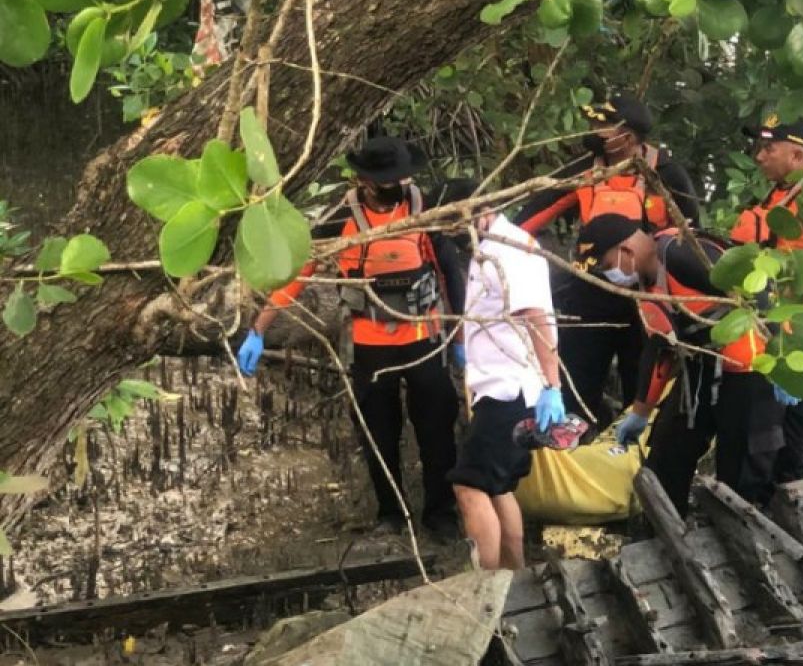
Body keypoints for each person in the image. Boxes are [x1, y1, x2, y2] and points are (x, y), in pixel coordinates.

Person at [235, 135, 464, 538]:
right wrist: (259, 329)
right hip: (370, 345)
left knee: (437, 429)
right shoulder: (339, 217)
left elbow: (450, 272)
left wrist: (460, 338)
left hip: (424, 338)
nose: (398, 185)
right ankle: (391, 514)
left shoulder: (422, 207)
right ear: (368, 182)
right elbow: (299, 273)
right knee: (378, 432)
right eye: (389, 180)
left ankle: (441, 513)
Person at [576, 214, 788, 516]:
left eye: (608, 266)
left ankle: (745, 539)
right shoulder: (646, 286)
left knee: (743, 469)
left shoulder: (679, 253)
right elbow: (659, 347)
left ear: (626, 250)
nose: (610, 275)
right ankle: (665, 532)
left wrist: (782, 361)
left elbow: (758, 295)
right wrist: (640, 410)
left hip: (749, 367)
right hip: (700, 366)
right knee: (667, 453)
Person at [514, 94, 701, 433]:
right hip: (590, 290)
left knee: (641, 383)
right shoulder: (584, 169)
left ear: (627, 138)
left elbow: (691, 239)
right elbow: (528, 220)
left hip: (645, 298)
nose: (593, 130)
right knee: (577, 382)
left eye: (602, 126)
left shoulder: (667, 174)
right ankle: (568, 455)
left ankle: (635, 463)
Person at [441, 181, 566, 570]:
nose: (451, 232)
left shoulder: (508, 249)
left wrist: (552, 385)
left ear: (481, 211)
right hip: (502, 387)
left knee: (470, 485)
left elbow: (536, 317)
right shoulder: (489, 249)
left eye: (453, 221)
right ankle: (516, 580)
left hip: (511, 390)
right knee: (499, 488)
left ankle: (486, 590)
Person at [730, 115, 803, 482]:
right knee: (781, 429)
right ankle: (781, 494)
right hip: (778, 329)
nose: (759, 157)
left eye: (768, 148)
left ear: (796, 156)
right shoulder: (774, 195)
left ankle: (794, 496)